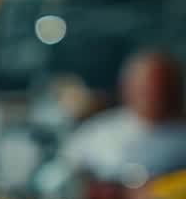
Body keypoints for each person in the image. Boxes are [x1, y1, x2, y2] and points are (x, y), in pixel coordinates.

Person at [62, 50, 186, 181]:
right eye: (146, 88)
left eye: (162, 87)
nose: (154, 96)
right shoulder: (94, 135)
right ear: (126, 87)